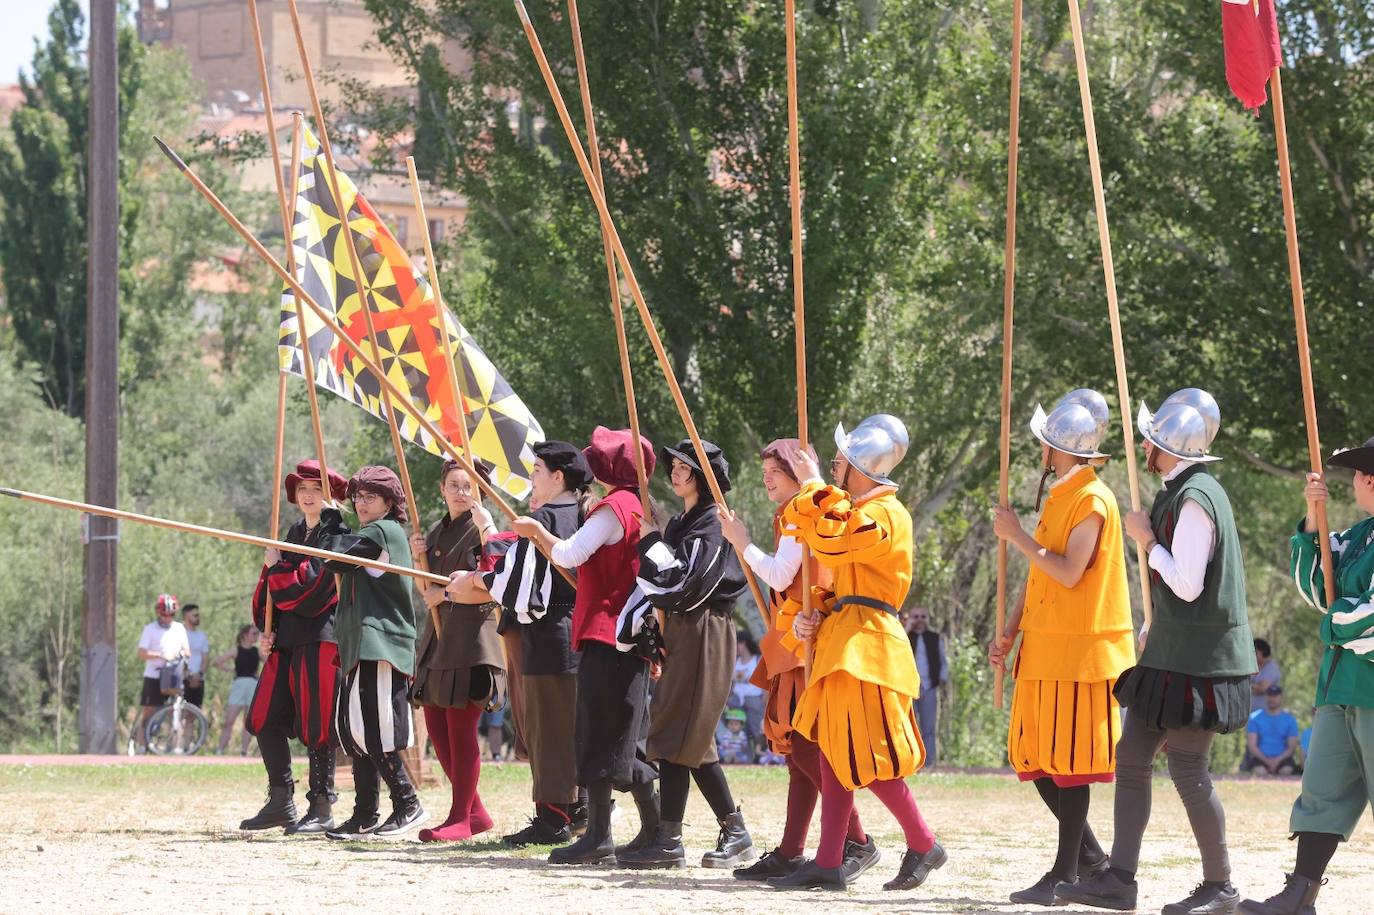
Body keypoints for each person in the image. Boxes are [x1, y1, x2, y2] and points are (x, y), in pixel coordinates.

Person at [1059, 388, 1254, 915]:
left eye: (1149, 440)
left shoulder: (1197, 498)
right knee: (1132, 756)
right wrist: (1153, 624)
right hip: (1170, 652)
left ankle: (1221, 887)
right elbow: (1176, 592)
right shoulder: (1179, 491)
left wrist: (1146, 540)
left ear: (1166, 448)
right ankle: (1119, 880)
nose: (1143, 446)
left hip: (1202, 660)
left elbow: (1189, 583)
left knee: (1188, 768)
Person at [771, 415, 946, 893]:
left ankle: (923, 841)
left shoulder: (887, 514)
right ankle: (830, 860)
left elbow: (834, 538)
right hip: (845, 633)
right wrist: (815, 615)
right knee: (834, 748)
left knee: (862, 754)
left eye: (839, 462)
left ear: (860, 468)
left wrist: (810, 485)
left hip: (868, 641)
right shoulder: (856, 507)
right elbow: (822, 548)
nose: (832, 467)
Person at [989, 390, 1134, 906]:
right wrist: (1009, 630)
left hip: (1081, 653)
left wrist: (1018, 536)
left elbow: (1070, 571)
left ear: (1062, 451)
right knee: (1036, 760)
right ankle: (1090, 859)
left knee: (1070, 764)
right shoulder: (1059, 497)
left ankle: (1064, 872)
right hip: (1045, 647)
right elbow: (1039, 578)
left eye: (1047, 445)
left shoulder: (1093, 498)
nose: (1042, 453)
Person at [718, 438, 878, 884]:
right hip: (795, 636)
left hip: (806, 639)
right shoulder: (797, 510)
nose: (767, 479)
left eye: (775, 472)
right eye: (765, 472)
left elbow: (780, 574)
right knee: (797, 751)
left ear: (796, 472)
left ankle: (858, 841)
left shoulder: (802, 511)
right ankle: (792, 850)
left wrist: (742, 543)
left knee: (807, 745)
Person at [508, 426, 660, 866]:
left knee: (599, 735)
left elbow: (569, 554)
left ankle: (603, 836)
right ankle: (653, 830)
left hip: (607, 633)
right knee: (617, 738)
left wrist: (536, 529)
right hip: (619, 634)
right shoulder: (633, 505)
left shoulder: (615, 507)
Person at [1240, 436, 1374, 915]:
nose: (1353, 481)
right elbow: (1319, 588)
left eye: (1358, 474)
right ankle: (1301, 895)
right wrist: (1312, 516)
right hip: (1339, 687)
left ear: (1370, 479)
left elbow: (1366, 618)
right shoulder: (1361, 537)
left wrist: (1332, 625)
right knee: (1321, 793)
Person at [616, 439, 757, 870]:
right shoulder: (682, 522)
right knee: (688, 735)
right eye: (675, 466)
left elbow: (685, 584)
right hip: (682, 630)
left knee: (680, 733)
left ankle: (670, 838)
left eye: (685, 467)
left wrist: (653, 540)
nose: (676, 472)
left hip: (705, 629)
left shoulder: (714, 524)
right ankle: (730, 832)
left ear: (703, 476)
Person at [448, 441, 593, 847]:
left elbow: (519, 583)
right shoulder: (582, 515)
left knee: (549, 729)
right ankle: (576, 807)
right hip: (572, 629)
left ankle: (554, 818)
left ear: (557, 477)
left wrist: (472, 581)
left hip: (549, 632)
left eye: (536, 471)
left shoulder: (547, 517)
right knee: (566, 726)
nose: (531, 478)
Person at [240, 459, 349, 835]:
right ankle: (280, 800)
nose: (307, 495)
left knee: (318, 723)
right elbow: (273, 592)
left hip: (321, 637)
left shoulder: (337, 534)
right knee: (262, 715)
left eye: (316, 488)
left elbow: (312, 589)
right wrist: (268, 626)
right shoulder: (292, 533)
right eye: (302, 489)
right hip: (287, 640)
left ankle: (321, 804)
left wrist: (276, 570)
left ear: (330, 494)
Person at [320, 465, 424, 841]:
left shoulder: (384, 531)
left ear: (388, 502)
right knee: (354, 730)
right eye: (358, 497)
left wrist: (330, 522)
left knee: (374, 728)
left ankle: (407, 802)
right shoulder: (368, 533)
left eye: (370, 498)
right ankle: (365, 813)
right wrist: (335, 525)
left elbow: (332, 557)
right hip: (358, 643)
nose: (362, 504)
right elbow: (338, 554)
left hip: (379, 642)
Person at [407, 459, 504, 843]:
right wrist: (419, 558)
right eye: (454, 485)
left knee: (462, 730)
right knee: (436, 727)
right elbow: (424, 591)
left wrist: (445, 592)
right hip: (439, 637)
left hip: (473, 635)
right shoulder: (433, 532)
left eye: (469, 486)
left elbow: (495, 583)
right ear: (441, 489)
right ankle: (475, 812)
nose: (462, 492)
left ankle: (459, 818)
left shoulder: (486, 531)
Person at [136, 594, 190, 752]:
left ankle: (175, 746)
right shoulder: (150, 629)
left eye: (171, 614)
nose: (167, 618)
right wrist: (161, 656)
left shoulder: (179, 628)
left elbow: (187, 650)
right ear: (158, 613)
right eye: (164, 614)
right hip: (154, 675)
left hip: (173, 676)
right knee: (148, 710)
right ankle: (142, 744)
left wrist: (180, 655)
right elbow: (141, 652)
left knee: (175, 711)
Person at [903, 606, 949, 767]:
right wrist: (907, 628)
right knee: (908, 726)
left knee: (929, 728)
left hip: (930, 687)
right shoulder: (903, 637)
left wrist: (942, 679)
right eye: (915, 616)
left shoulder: (934, 638)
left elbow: (943, 660)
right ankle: (910, 762)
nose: (920, 619)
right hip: (908, 689)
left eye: (923, 616)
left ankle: (930, 763)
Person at [212, 624, 260, 755]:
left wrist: (260, 676)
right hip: (239, 684)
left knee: (248, 721)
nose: (256, 636)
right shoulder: (236, 650)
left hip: (252, 685)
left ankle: (243, 751)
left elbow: (270, 663)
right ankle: (220, 750)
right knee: (229, 720)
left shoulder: (257, 651)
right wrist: (231, 670)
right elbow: (217, 662)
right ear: (245, 635)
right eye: (253, 633)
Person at [1247, 686, 1301, 776]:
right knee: (1260, 772)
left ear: (1281, 698)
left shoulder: (1290, 720)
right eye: (1270, 695)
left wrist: (1277, 760)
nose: (1272, 699)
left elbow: (1291, 747)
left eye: (1275, 695)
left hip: (1283, 760)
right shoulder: (1254, 718)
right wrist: (1267, 761)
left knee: (1287, 771)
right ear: (1266, 697)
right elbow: (1252, 746)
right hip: (1261, 759)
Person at [730, 633, 766, 752]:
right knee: (738, 732)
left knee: (757, 729)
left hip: (754, 700)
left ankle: (761, 755)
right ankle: (743, 756)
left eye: (737, 643)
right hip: (736, 701)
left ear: (743, 643)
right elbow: (732, 683)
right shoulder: (735, 660)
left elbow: (765, 681)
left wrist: (763, 700)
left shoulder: (757, 659)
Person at [182, 603, 209, 710]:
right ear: (187, 616)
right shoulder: (179, 634)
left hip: (199, 679)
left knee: (193, 714)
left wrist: (199, 674)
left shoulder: (202, 636)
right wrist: (187, 675)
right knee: (178, 712)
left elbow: (205, 658)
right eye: (195, 615)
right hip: (182, 679)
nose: (198, 618)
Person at [1250, 638, 1282, 714]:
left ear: (1263, 652)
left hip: (1266, 715)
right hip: (1251, 716)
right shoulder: (1252, 667)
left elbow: (1262, 688)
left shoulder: (1272, 668)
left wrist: (1246, 687)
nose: (1252, 655)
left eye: (1255, 652)